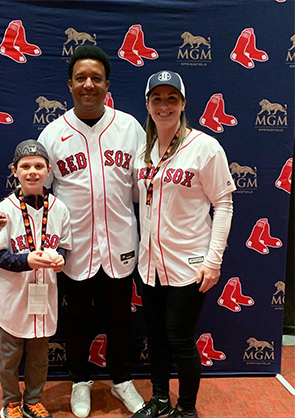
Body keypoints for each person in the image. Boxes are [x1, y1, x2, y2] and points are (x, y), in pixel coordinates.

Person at [0, 45, 145, 418]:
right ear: (70, 84)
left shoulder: (130, 127)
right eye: (81, 78)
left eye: (96, 78)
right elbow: (32, 189)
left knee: (121, 317)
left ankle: (122, 380)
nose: (89, 84)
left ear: (107, 84)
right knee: (77, 320)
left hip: (121, 240)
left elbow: (146, 186)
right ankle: (80, 382)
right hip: (72, 247)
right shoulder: (54, 132)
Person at [132, 70, 236, 418]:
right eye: (157, 99)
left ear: (183, 103)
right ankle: (160, 399)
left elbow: (223, 203)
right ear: (147, 104)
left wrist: (213, 260)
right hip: (149, 263)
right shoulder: (143, 152)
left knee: (179, 337)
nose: (164, 106)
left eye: (171, 99)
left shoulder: (205, 147)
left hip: (189, 263)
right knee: (156, 336)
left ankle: (187, 408)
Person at [0, 140, 72, 418]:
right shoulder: (4, 209)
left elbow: (64, 247)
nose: (32, 172)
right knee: (10, 358)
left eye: (38, 166)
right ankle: (11, 402)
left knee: (38, 359)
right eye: (25, 166)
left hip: (44, 296)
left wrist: (59, 258)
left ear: (49, 170)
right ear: (14, 171)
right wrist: (26, 260)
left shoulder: (59, 208)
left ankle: (33, 400)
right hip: (13, 297)